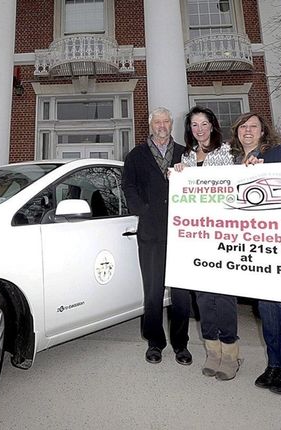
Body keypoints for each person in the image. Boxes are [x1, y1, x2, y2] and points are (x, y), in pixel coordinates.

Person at [230, 112, 281, 395]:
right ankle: (274, 364)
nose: (248, 131)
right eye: (243, 127)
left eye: (254, 127)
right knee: (267, 309)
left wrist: (266, 173)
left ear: (263, 132)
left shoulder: (277, 154)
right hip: (254, 245)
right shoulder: (234, 163)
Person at [122, 106, 192, 366]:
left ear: (171, 125)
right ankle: (155, 342)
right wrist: (143, 209)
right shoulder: (136, 156)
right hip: (151, 233)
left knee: (182, 294)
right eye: (157, 122)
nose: (162, 126)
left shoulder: (186, 153)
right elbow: (128, 186)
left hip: (182, 233)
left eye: (166, 122)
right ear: (150, 126)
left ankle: (181, 344)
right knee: (152, 291)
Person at [175, 106, 241, 380]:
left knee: (224, 295)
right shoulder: (187, 157)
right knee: (203, 297)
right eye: (194, 125)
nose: (199, 129)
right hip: (197, 236)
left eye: (204, 124)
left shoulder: (227, 152)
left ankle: (230, 353)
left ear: (212, 125)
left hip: (223, 233)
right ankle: (212, 351)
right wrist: (178, 173)